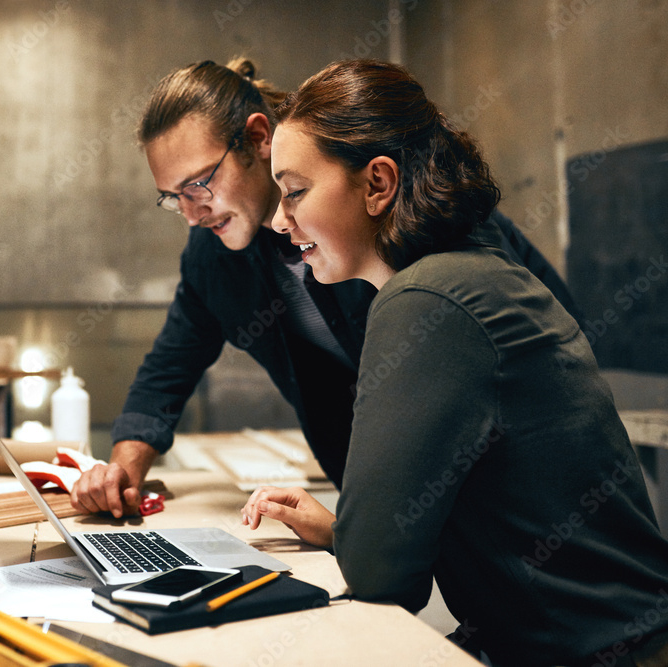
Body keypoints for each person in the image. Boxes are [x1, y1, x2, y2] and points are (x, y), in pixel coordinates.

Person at [241, 59, 668, 666]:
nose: (281, 221)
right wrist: (349, 532)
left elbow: (383, 580)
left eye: (296, 191)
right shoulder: (472, 275)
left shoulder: (426, 301)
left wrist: (357, 541)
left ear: (378, 184)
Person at [70, 58, 580, 519]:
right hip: (391, 497)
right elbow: (170, 364)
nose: (189, 213)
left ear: (258, 138)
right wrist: (123, 466)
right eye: (171, 198)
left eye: (198, 184)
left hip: (519, 478)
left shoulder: (407, 217)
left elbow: (524, 352)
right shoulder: (217, 257)